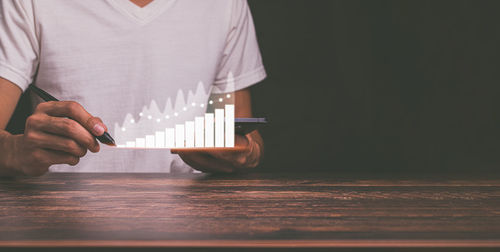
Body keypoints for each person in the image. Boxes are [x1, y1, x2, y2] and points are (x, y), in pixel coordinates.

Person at [0, 0, 265, 176]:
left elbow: (238, 134)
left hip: (193, 230)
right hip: (63, 227)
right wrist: (14, 151)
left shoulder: (225, 4)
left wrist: (245, 153)